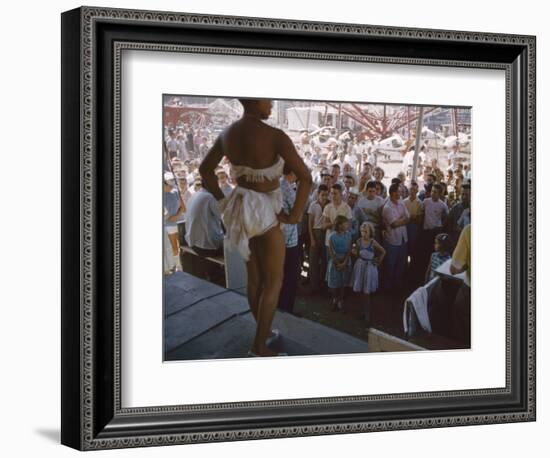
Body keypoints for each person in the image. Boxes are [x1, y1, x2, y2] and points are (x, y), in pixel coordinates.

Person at [199, 98, 312, 357]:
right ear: (254, 100)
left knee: (255, 279)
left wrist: (222, 200)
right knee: (274, 281)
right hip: (266, 212)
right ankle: (259, 346)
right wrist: (295, 215)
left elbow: (205, 170)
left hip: (240, 208)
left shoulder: (228, 134)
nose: (271, 105)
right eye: (268, 100)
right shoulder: (275, 136)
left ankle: (263, 332)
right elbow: (305, 177)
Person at [351, 222, 385, 323]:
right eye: (362, 231)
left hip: (369, 267)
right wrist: (354, 252)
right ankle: (361, 310)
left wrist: (378, 260)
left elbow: (383, 251)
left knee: (367, 291)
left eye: (366, 232)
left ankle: (367, 313)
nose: (364, 233)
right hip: (360, 266)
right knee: (360, 289)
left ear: (370, 232)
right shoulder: (359, 241)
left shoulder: (372, 242)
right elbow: (357, 253)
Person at [278, 167, 300, 314]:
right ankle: (286, 309)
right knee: (290, 276)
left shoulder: (277, 184)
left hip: (278, 237)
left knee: (280, 275)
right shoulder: (286, 188)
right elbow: (297, 214)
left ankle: (280, 305)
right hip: (289, 239)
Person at [381, 183, 410, 290]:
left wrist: (400, 220)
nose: (401, 193)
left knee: (401, 265)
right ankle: (388, 288)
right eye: (398, 191)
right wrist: (402, 220)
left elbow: (408, 217)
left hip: (403, 238)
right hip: (392, 240)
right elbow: (393, 224)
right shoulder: (387, 207)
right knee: (390, 265)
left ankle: (397, 286)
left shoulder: (401, 201)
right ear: (393, 193)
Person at [184, 186, 224, 257]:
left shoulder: (194, 195)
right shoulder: (210, 197)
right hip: (208, 249)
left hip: (193, 245)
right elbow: (225, 218)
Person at [450, 224, 471, 346]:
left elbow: (454, 269)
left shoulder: (469, 230)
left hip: (470, 289)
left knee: (461, 315)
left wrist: (467, 264)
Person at [326, 215, 353, 312]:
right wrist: (337, 262)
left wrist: (345, 262)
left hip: (345, 260)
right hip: (335, 261)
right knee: (334, 282)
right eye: (345, 223)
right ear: (340, 225)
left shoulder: (348, 234)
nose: (347, 225)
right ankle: (335, 298)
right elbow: (331, 251)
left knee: (343, 282)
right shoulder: (332, 236)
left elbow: (349, 249)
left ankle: (341, 300)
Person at [308, 184, 329, 293]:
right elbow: (310, 223)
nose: (324, 197)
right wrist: (312, 238)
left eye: (326, 195)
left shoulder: (329, 205)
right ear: (318, 194)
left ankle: (322, 285)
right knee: (313, 261)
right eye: (322, 195)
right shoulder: (313, 205)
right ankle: (313, 286)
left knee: (325, 261)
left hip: (326, 233)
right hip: (316, 232)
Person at [163, 173, 185, 272]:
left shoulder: (176, 192)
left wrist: (176, 216)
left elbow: (183, 208)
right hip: (166, 225)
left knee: (178, 246)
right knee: (170, 247)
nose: (171, 186)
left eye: (172, 184)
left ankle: (179, 266)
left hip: (176, 223)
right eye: (169, 185)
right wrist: (168, 217)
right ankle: (173, 267)